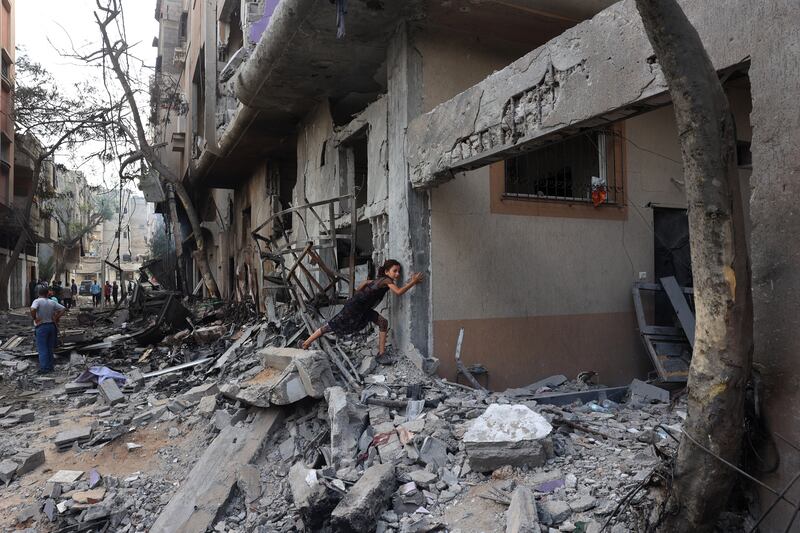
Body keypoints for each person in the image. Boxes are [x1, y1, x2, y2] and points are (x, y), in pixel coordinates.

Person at [301, 259, 424, 363]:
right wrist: (413, 281)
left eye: (398, 271)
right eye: (394, 271)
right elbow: (398, 292)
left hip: (362, 307)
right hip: (355, 307)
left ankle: (381, 354)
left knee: (382, 322)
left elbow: (359, 287)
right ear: (387, 272)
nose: (397, 274)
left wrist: (367, 283)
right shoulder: (387, 280)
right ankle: (306, 343)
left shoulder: (379, 280)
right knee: (332, 325)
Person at [30, 286, 65, 374]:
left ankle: (44, 368)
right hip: (52, 326)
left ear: (39, 293)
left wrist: (34, 318)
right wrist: (56, 317)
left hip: (42, 327)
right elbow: (63, 308)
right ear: (47, 294)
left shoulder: (37, 301)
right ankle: (50, 367)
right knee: (49, 348)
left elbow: (33, 309)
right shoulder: (52, 302)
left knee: (42, 348)